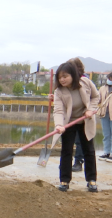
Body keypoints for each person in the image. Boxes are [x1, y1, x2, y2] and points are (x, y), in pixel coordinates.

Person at [51, 61, 99, 192]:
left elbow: (96, 97)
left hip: (85, 120)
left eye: (65, 76)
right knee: (66, 151)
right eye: (60, 77)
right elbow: (59, 111)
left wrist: (90, 109)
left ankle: (91, 180)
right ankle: (64, 181)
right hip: (69, 123)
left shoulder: (86, 83)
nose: (62, 79)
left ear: (73, 75)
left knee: (88, 150)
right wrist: (59, 125)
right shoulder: (59, 92)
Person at [97, 72, 112, 162]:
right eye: (109, 78)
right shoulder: (102, 88)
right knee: (106, 134)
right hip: (104, 113)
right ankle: (106, 152)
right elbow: (98, 98)